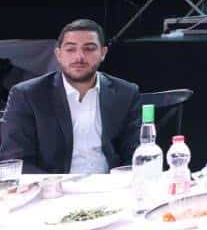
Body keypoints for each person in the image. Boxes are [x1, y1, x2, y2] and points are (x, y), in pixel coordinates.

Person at [0, 19, 141, 174]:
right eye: (70, 49)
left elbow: (134, 153)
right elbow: (15, 159)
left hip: (110, 184)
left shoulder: (125, 92)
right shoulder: (28, 95)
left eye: (89, 48)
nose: (79, 56)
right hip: (51, 185)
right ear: (58, 54)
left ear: (103, 53)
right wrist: (52, 185)